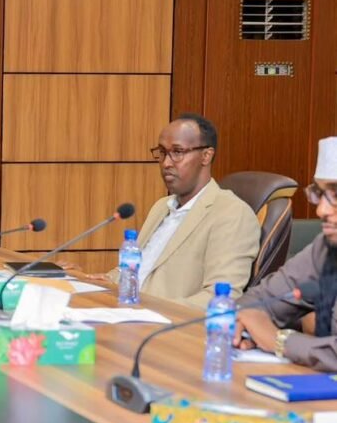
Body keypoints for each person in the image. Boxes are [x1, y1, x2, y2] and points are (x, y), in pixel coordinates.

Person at [106, 114, 260, 308]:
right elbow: (135, 269)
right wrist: (97, 280)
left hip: (163, 321)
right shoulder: (161, 206)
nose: (166, 163)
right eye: (162, 152)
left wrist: (150, 310)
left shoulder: (232, 214)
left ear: (206, 156)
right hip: (125, 311)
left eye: (177, 152)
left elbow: (220, 298)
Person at [235, 137, 337, 370]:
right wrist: (248, 329)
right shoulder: (325, 248)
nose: (321, 209)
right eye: (319, 193)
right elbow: (259, 300)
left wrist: (280, 341)